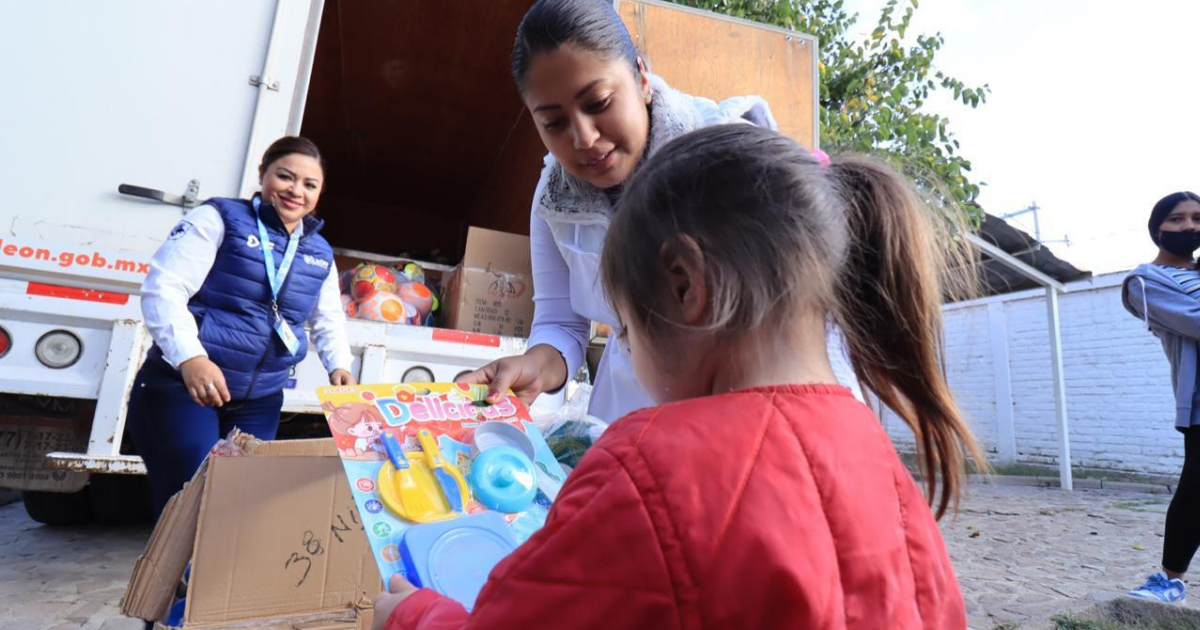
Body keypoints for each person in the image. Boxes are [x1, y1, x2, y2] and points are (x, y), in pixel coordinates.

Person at [372, 125, 982, 629]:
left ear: (687, 286)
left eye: (627, 333)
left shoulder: (643, 466)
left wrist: (413, 616)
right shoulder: (880, 461)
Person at [460, 0, 861, 423]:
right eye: (553, 123)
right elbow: (560, 321)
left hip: (755, 419)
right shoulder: (555, 195)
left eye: (598, 102)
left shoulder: (729, 159)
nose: (584, 138)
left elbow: (796, 324)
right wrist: (533, 367)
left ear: (642, 78)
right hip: (630, 425)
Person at [127, 136, 356, 516]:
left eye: (309, 185)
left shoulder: (319, 251)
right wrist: (191, 359)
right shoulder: (217, 218)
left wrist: (340, 365)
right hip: (185, 389)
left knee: (237, 509)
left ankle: (210, 577)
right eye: (285, 177)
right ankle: (178, 576)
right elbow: (163, 289)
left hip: (260, 400)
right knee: (191, 501)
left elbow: (327, 317)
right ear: (263, 173)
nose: (295, 191)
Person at [1121, 190, 1200, 604]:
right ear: (1158, 229)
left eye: (1197, 218)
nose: (1189, 226)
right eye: (1177, 219)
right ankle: (1170, 581)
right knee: (1197, 485)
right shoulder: (1145, 282)